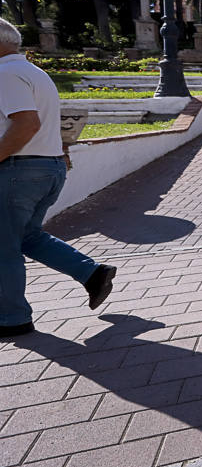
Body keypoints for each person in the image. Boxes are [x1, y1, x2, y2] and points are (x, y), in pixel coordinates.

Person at [0, 19, 116, 337]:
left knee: (4, 248)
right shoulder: (32, 72)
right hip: (47, 168)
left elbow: (26, 125)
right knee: (27, 237)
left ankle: (12, 319)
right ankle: (93, 274)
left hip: (17, 171)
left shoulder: (5, 74)